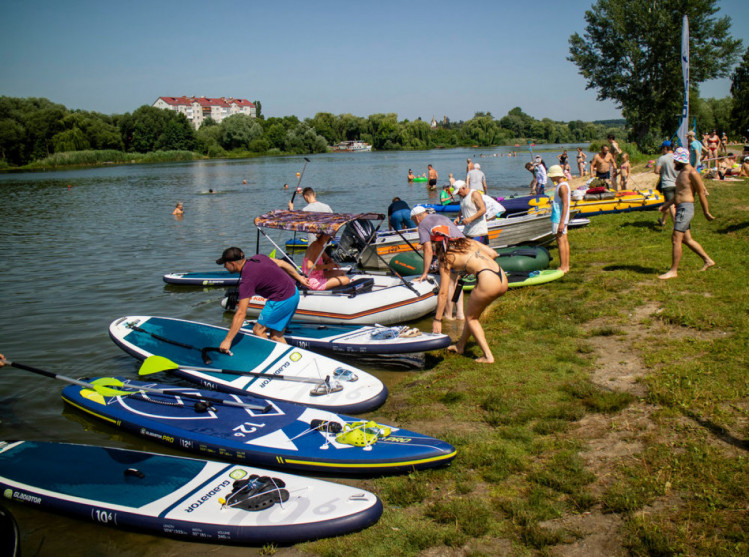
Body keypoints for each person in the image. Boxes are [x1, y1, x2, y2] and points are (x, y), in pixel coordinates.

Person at [429, 226, 508, 363]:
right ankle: (460, 346)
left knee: (471, 318)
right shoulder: (468, 242)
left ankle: (488, 356)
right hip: (501, 277)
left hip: (487, 281)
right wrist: (470, 266)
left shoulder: (445, 258)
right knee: (472, 315)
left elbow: (443, 292)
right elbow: (493, 254)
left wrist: (437, 319)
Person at [216, 247, 310, 347]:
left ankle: (273, 356)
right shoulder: (259, 257)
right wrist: (300, 278)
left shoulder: (247, 281)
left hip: (283, 299)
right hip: (292, 291)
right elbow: (282, 263)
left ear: (232, 263)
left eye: (225, 264)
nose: (224, 267)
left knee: (260, 331)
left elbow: (241, 314)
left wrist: (227, 340)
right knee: (275, 334)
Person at [657, 147, 716, 280]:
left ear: (681, 160)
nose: (674, 164)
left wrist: (706, 212)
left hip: (685, 209)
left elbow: (701, 193)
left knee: (675, 239)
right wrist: (667, 204)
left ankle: (673, 271)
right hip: (680, 208)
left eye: (676, 161)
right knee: (687, 240)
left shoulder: (692, 173)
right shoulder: (682, 172)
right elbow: (679, 193)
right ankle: (708, 260)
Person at [411, 206, 465, 320]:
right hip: (463, 248)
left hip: (450, 251)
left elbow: (428, 250)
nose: (415, 223)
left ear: (417, 217)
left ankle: (449, 315)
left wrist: (424, 273)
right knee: (457, 281)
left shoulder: (422, 225)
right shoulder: (439, 217)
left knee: (449, 283)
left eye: (413, 221)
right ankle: (460, 314)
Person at [547, 165, 571, 273]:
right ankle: (566, 266)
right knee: (564, 240)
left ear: (556, 175)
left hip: (559, 217)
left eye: (551, 176)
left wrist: (561, 222)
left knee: (560, 241)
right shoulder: (562, 185)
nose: (550, 178)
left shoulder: (562, 187)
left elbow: (565, 205)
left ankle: (563, 266)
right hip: (561, 217)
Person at [654, 141, 677, 226]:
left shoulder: (662, 158)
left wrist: (660, 170)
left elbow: (656, 171)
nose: (662, 151)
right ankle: (663, 221)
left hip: (667, 184)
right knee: (667, 203)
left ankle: (676, 225)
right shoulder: (677, 157)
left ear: (665, 148)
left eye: (662, 149)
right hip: (677, 183)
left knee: (671, 205)